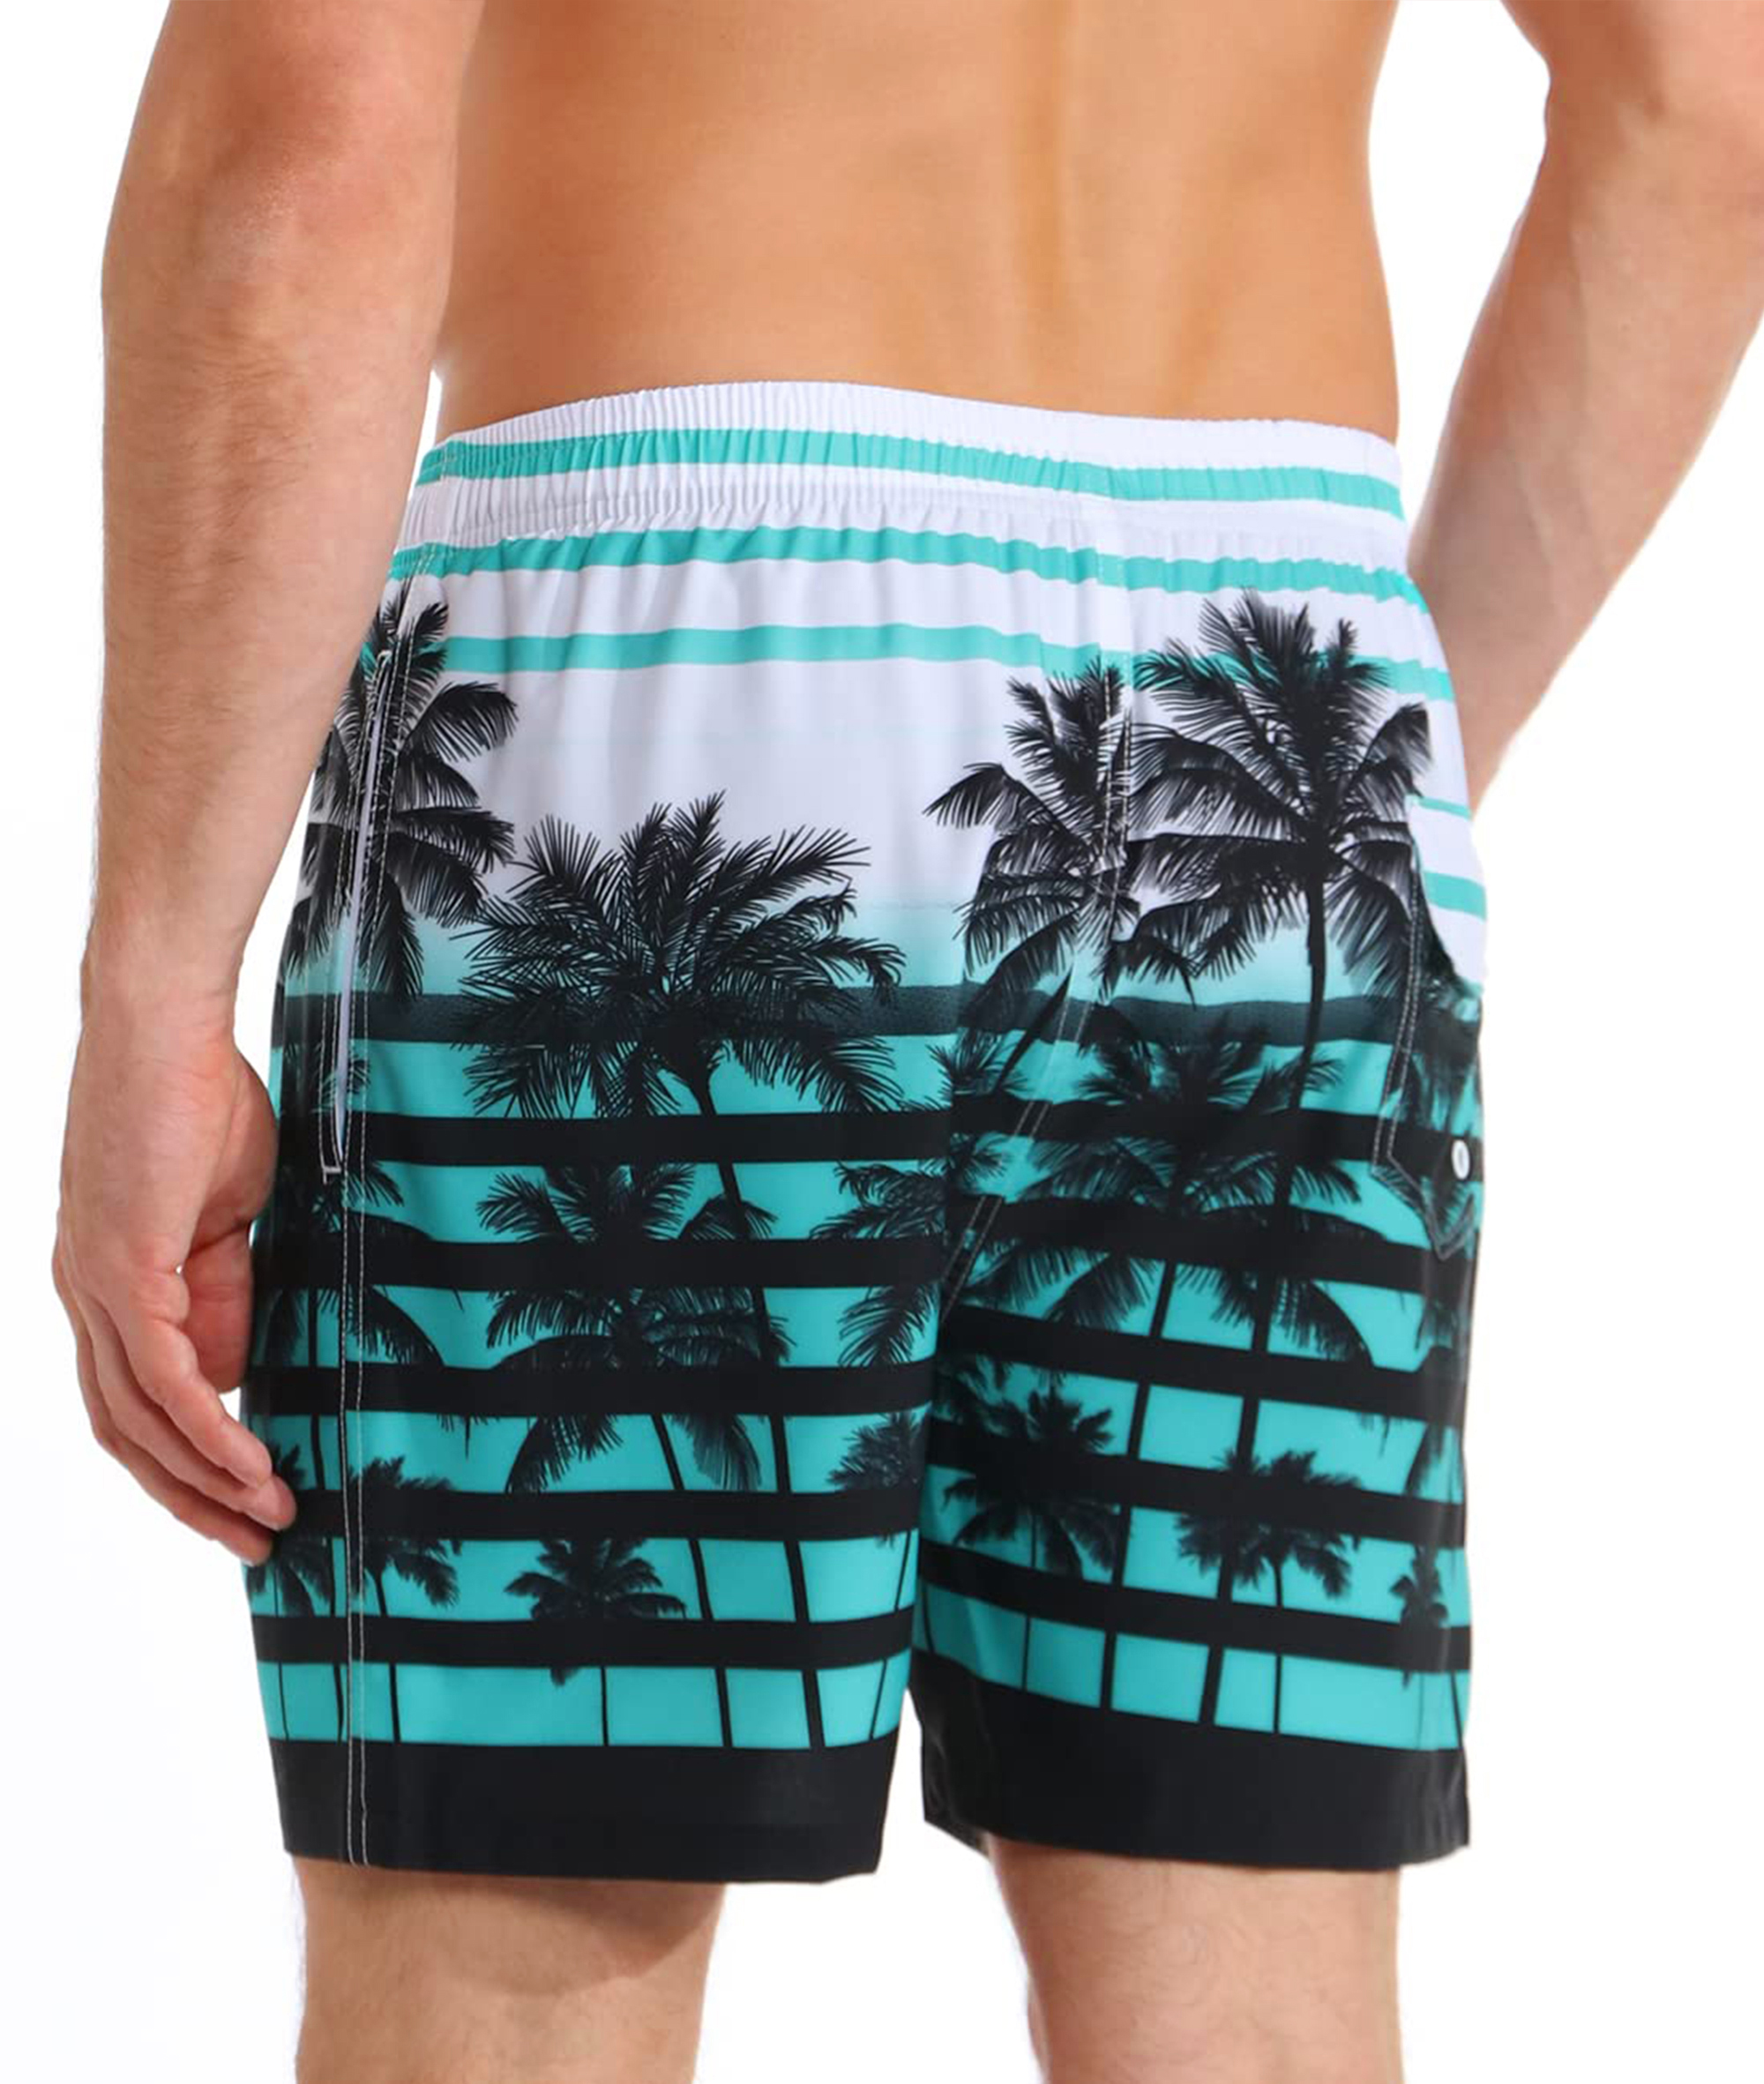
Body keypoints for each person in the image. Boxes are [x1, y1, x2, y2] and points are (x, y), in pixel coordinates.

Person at [53, 2, 1764, 2079]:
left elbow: (302, 140)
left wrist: (154, 976)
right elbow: (1699, 98)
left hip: (677, 649)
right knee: (1245, 1994)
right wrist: (1375, 788)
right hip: (1274, 684)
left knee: (515, 1948)